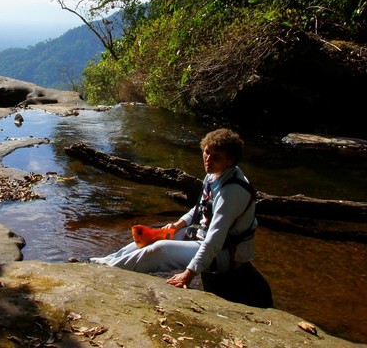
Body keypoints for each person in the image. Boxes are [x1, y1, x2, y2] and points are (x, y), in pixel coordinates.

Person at [91, 128, 271, 306]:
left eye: (216, 157)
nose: (208, 159)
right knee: (157, 236)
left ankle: (109, 272)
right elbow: (201, 208)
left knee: (159, 249)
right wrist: (178, 225)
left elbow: (215, 239)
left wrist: (189, 274)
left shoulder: (231, 192)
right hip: (203, 237)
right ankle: (106, 262)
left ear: (230, 160)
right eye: (207, 152)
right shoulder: (215, 174)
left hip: (226, 254)